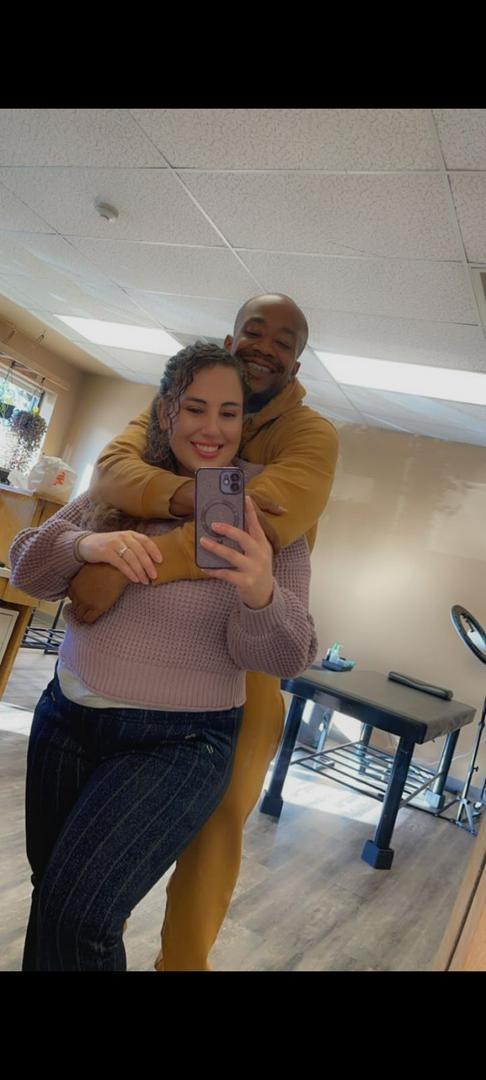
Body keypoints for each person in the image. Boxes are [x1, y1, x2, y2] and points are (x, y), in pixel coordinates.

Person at [10, 342, 317, 972]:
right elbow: (26, 569)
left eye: (229, 413)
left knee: (81, 916)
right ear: (167, 411)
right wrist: (86, 545)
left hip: (179, 743)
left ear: (244, 422)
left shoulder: (261, 510)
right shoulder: (124, 484)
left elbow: (290, 654)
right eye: (196, 408)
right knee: (52, 894)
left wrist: (260, 593)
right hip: (66, 716)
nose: (212, 429)